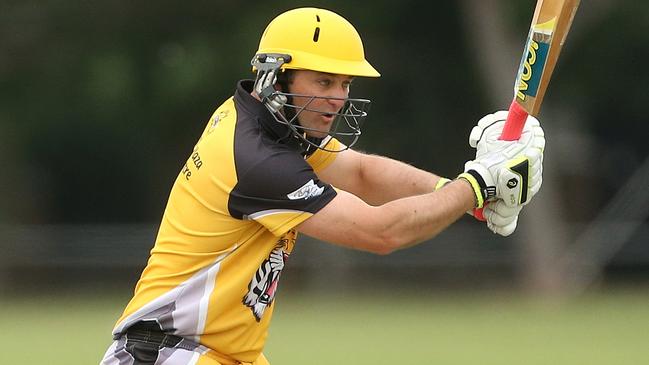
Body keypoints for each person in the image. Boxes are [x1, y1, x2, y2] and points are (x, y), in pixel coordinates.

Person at [100, 7, 545, 365]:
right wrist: (479, 183)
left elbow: (362, 173)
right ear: (276, 77)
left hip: (218, 353)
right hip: (167, 352)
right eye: (324, 80)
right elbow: (380, 232)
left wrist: (466, 197)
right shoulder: (259, 161)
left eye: (345, 83)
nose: (338, 97)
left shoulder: (270, 122)